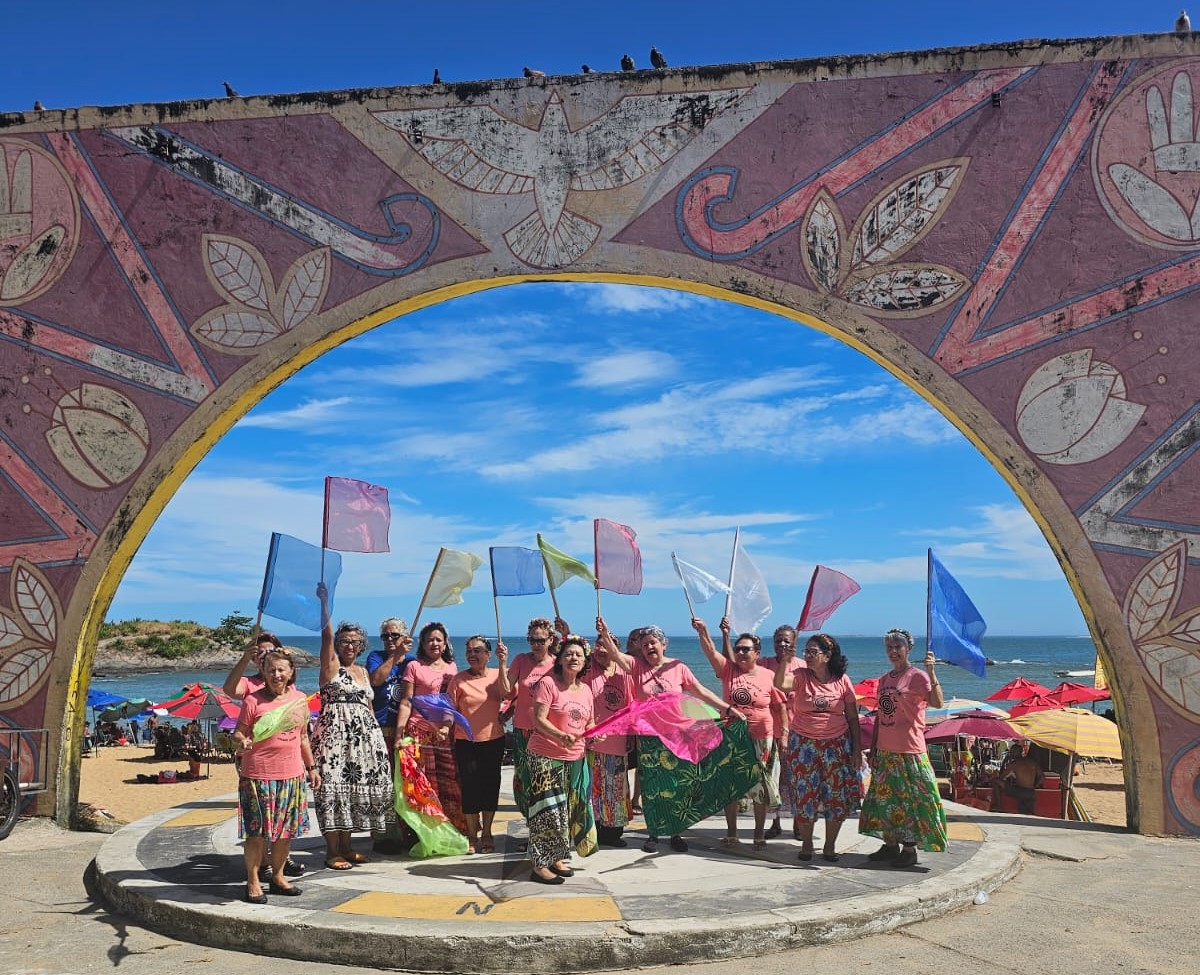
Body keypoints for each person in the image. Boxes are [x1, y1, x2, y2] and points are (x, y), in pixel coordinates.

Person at [597, 618, 753, 854]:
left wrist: (728, 709)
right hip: (650, 739)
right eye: (645, 644)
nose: (649, 647)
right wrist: (605, 632)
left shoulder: (678, 667)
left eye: (653, 642)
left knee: (679, 786)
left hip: (679, 736)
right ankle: (653, 833)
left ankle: (676, 832)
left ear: (664, 644)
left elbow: (701, 691)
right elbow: (615, 655)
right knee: (653, 788)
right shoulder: (637, 666)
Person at [311, 590, 395, 870]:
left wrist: (378, 742)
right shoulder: (331, 667)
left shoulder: (362, 671)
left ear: (361, 646)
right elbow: (325, 637)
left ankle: (347, 847)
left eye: (355, 642)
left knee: (349, 793)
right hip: (335, 738)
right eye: (344, 641)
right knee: (333, 791)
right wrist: (325, 606)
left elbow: (369, 706)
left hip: (363, 741)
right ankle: (331, 851)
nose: (349, 645)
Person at [232, 648, 319, 904]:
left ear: (291, 672)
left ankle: (279, 876)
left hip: (291, 775)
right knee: (256, 833)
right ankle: (253, 880)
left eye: (281, 669)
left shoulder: (300, 699)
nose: (276, 674)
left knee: (284, 833)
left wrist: (312, 768)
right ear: (263, 672)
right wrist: (242, 741)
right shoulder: (252, 701)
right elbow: (238, 732)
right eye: (271, 670)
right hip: (257, 776)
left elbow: (303, 737)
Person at [859, 628, 948, 868]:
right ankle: (890, 845)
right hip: (886, 749)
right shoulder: (884, 679)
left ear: (908, 649)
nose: (893, 651)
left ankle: (909, 849)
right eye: (889, 647)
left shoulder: (918, 676)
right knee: (886, 800)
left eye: (898, 646)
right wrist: (875, 747)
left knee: (913, 800)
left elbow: (937, 702)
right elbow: (880, 715)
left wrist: (932, 670)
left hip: (910, 750)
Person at [693, 617, 784, 850]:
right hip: (732, 737)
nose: (741, 652)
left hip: (762, 737)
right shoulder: (728, 671)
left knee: (760, 785)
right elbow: (710, 651)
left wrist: (783, 734)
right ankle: (732, 832)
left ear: (757, 652)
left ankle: (758, 834)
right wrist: (703, 631)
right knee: (730, 786)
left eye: (746, 649)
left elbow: (778, 706)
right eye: (738, 648)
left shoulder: (767, 675)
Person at [222, 629, 305, 879]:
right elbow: (229, 689)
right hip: (256, 760)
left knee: (282, 825)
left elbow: (300, 732)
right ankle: (262, 867)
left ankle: (280, 864)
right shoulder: (250, 686)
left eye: (270, 651)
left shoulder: (289, 687)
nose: (266, 656)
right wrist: (245, 659)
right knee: (259, 825)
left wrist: (309, 766)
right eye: (260, 652)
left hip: (288, 767)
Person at [773, 632, 861, 861]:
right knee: (805, 794)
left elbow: (853, 718)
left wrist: (857, 750)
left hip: (837, 744)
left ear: (827, 655)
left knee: (836, 796)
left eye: (813, 652)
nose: (808, 656)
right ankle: (808, 844)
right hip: (803, 744)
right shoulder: (801, 675)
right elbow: (780, 684)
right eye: (806, 652)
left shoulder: (842, 680)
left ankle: (830, 845)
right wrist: (784, 660)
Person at [526, 634, 597, 884]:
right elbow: (539, 719)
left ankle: (556, 857)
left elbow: (589, 721)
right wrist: (560, 735)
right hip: (546, 755)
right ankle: (539, 864)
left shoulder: (586, 689)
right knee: (546, 811)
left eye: (578, 654)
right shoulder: (548, 684)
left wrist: (596, 734)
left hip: (576, 758)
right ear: (559, 659)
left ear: (585, 659)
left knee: (565, 811)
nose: (573, 658)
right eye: (568, 654)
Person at [395, 622, 467, 836]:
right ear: (423, 644)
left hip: (444, 734)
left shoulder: (452, 668)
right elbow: (407, 702)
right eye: (429, 640)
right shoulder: (414, 666)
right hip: (418, 731)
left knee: (449, 784)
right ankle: (422, 833)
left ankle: (450, 830)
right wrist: (399, 734)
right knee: (421, 785)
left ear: (445, 644)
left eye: (438, 640)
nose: (434, 643)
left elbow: (453, 703)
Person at [447, 634, 511, 853]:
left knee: (490, 787)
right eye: (470, 651)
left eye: (478, 651)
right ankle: (472, 835)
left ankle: (487, 833)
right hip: (466, 741)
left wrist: (503, 663)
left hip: (494, 739)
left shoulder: (496, 674)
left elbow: (510, 694)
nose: (472, 655)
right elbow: (449, 710)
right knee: (470, 788)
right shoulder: (458, 679)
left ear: (488, 654)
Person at [507, 617, 560, 821]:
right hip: (523, 730)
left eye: (540, 640)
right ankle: (531, 823)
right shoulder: (521, 660)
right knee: (524, 779)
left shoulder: (557, 663)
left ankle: (546, 823)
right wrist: (502, 661)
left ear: (550, 640)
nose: (536, 644)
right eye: (532, 640)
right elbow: (506, 690)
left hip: (547, 731)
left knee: (546, 779)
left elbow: (578, 671)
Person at [585, 626, 634, 847]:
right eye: (599, 644)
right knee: (593, 788)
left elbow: (632, 706)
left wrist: (632, 733)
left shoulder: (624, 672)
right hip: (592, 740)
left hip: (617, 739)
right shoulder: (589, 669)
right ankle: (593, 830)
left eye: (607, 645)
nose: (602, 649)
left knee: (615, 787)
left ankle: (613, 832)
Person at [762, 624, 798, 839]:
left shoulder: (803, 666)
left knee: (794, 780)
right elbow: (735, 666)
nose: (782, 644)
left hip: (797, 732)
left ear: (794, 642)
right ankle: (775, 822)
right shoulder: (764, 664)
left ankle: (797, 823)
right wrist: (726, 635)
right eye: (778, 640)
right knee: (773, 780)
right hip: (769, 732)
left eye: (787, 640)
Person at [366, 618, 415, 749]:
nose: (389, 639)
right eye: (385, 636)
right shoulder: (376, 656)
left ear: (405, 637)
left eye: (394, 635)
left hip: (404, 728)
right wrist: (396, 655)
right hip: (380, 726)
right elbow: (375, 680)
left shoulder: (412, 663)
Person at [995, 743, 1044, 814]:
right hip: (1031, 791)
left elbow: (1001, 777)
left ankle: (998, 805)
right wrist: (1035, 786)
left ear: (1014, 753)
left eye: (1011, 752)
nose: (1010, 754)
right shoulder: (1032, 762)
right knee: (1029, 812)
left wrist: (1005, 761)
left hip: (1020, 790)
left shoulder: (1014, 764)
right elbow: (1042, 777)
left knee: (995, 781)